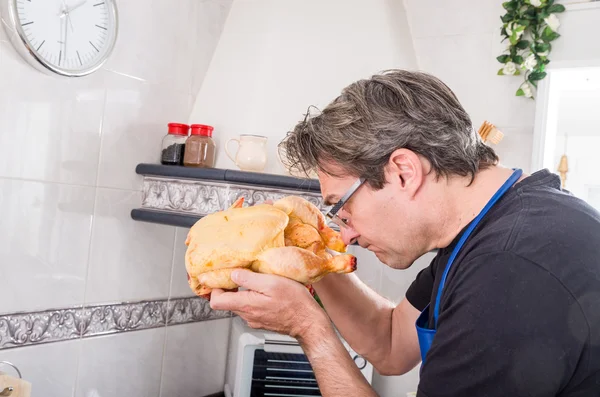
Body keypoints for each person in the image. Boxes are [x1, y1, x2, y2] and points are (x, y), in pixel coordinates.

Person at [208, 70, 600, 396]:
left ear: (403, 172)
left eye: (342, 205)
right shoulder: (485, 226)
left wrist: (308, 327)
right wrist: (307, 256)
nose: (345, 234)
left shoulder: (510, 268)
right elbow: (391, 342)